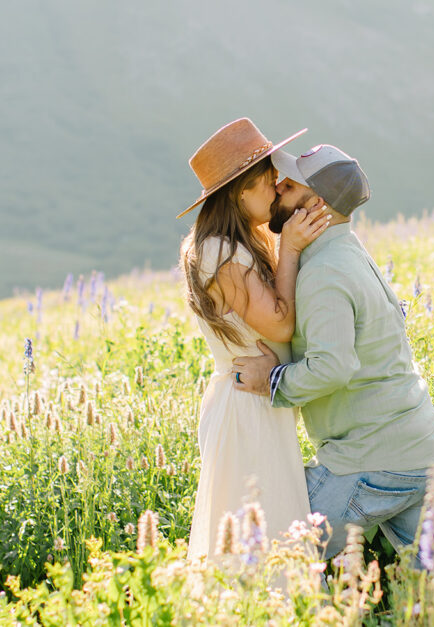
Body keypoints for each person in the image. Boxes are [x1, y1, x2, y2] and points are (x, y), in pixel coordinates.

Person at [231, 143, 434, 593]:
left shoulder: (323, 272)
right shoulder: (348, 252)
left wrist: (271, 380)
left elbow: (332, 367)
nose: (277, 189)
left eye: (288, 185)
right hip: (417, 452)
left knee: (275, 544)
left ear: (315, 205)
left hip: (370, 463)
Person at [177, 117, 332, 559]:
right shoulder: (218, 251)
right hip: (246, 407)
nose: (275, 186)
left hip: (258, 399)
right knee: (260, 544)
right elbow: (280, 324)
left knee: (271, 538)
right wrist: (292, 250)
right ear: (239, 191)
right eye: (266, 180)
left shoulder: (236, 243)